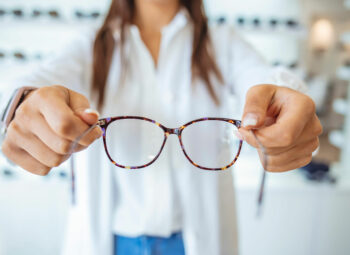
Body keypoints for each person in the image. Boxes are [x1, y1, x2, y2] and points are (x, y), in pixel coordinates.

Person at [0, 0, 322, 255]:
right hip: (112, 243)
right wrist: (21, 105)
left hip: (194, 243)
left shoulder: (222, 44)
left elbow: (265, 79)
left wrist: (285, 101)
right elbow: (27, 84)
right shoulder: (90, 45)